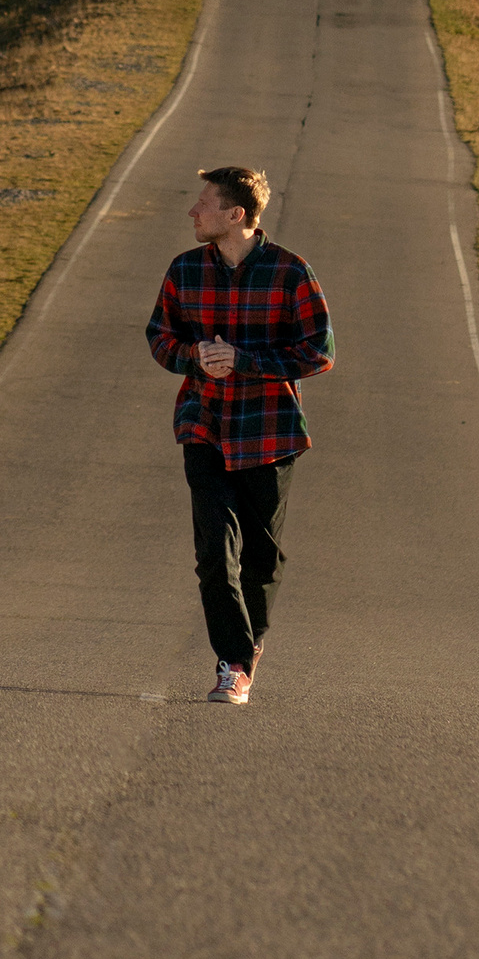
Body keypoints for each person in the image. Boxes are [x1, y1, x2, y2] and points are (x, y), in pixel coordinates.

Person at [145, 164, 334, 704]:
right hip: (203, 424)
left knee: (261, 560)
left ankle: (248, 646)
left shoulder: (291, 272)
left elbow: (319, 352)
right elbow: (160, 337)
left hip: (269, 432)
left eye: (204, 203)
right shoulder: (184, 270)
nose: (193, 211)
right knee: (214, 552)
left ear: (235, 214)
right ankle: (233, 664)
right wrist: (193, 356)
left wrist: (245, 361)